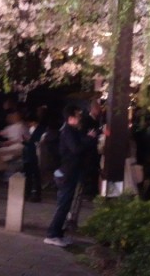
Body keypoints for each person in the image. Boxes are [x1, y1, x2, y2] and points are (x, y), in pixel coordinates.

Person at [45, 105, 97, 247]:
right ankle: (52, 234)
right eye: (78, 115)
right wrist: (89, 139)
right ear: (71, 118)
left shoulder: (73, 130)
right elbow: (76, 149)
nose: (80, 117)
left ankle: (58, 234)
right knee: (63, 206)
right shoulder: (68, 131)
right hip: (67, 173)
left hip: (70, 171)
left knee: (65, 205)